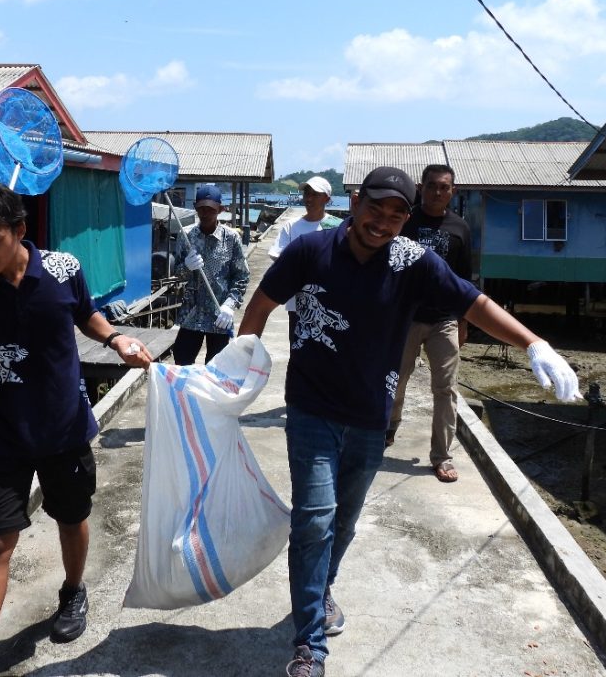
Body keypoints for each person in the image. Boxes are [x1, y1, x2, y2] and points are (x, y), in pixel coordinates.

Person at [237, 166, 580, 677]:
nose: (383, 222)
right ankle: (309, 643)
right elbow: (261, 306)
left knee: (344, 522)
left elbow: (472, 301)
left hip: (372, 415)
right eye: (376, 209)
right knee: (314, 517)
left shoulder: (410, 260)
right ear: (354, 203)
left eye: (397, 214)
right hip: (311, 409)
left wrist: (534, 343)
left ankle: (321, 590)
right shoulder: (311, 252)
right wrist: (236, 367)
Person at [0, 182, 152, 677]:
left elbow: (88, 316)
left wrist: (118, 338)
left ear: (18, 230)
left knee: (71, 514)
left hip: (63, 426)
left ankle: (73, 590)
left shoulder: (63, 270)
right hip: (3, 432)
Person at [386, 164, 472, 484]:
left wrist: (464, 322)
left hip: (444, 321)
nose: (438, 192)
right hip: (406, 318)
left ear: (453, 190)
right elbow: (388, 268)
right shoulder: (407, 221)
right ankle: (388, 428)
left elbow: (466, 279)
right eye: (432, 186)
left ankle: (442, 455)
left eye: (444, 187)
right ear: (421, 188)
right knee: (395, 380)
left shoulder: (460, 228)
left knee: (446, 389)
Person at [171, 183, 250, 365]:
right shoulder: (186, 236)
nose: (205, 214)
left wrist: (230, 305)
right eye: (201, 209)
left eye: (211, 210)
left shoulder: (231, 238)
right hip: (191, 314)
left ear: (220, 209)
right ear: (195, 208)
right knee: (182, 360)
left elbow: (241, 276)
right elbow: (178, 275)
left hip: (219, 314)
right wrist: (186, 267)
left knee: (217, 367)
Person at [269, 176, 340, 343]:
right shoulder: (291, 225)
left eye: (315, 194)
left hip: (328, 303)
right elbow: (276, 254)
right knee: (298, 347)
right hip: (297, 302)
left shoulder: (336, 226)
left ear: (327, 199)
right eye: (307, 193)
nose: (308, 198)